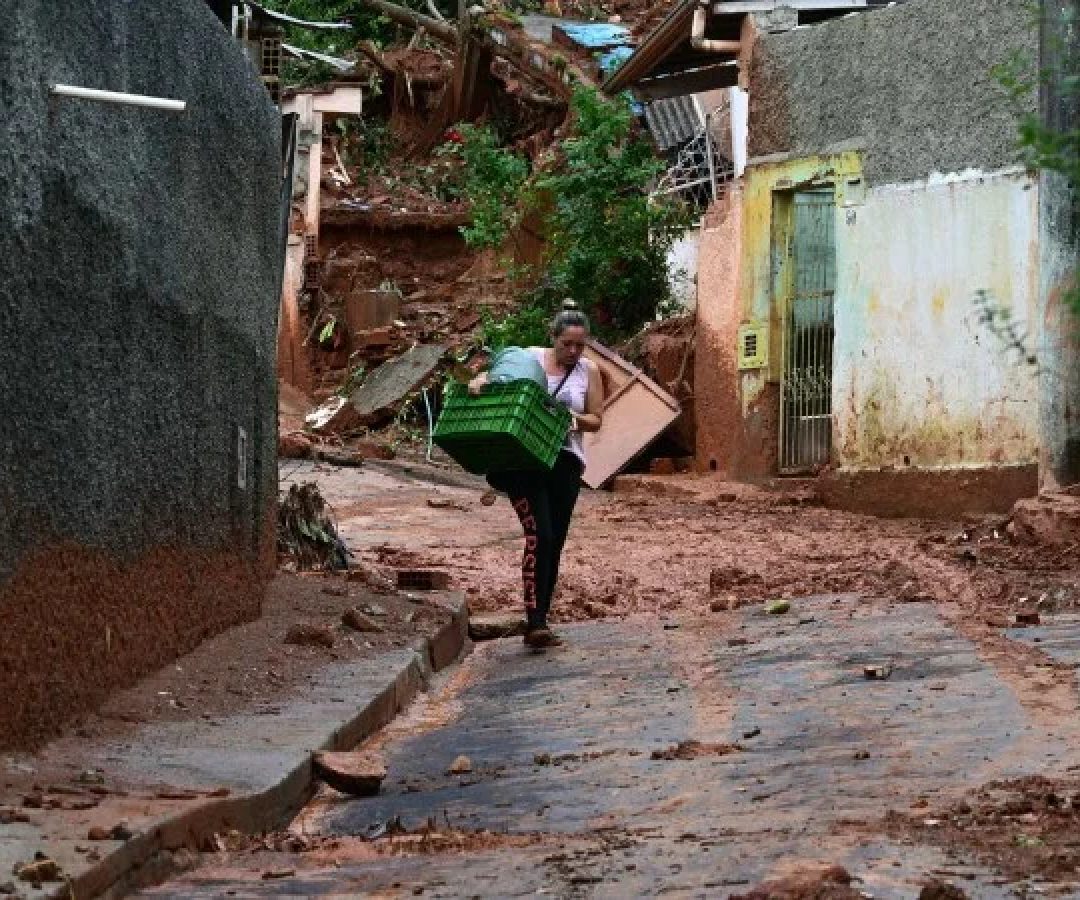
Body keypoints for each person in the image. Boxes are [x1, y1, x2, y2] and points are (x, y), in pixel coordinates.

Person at [469, 300, 604, 648]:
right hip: (524, 460)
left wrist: (569, 418)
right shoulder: (529, 358)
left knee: (554, 540)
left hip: (566, 460)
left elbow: (596, 418)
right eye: (566, 344)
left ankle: (541, 618)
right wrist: (480, 381)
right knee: (539, 534)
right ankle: (535, 622)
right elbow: (493, 376)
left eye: (580, 345)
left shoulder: (588, 370)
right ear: (553, 338)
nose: (573, 351)